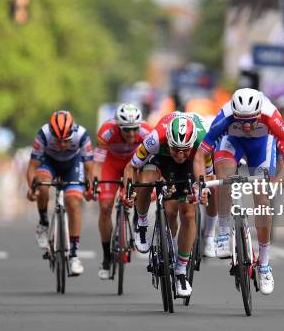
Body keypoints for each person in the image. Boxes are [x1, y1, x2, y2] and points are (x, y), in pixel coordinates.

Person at [193, 87, 284, 296]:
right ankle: (223, 231)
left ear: (260, 113)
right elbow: (199, 156)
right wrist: (201, 183)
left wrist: (276, 183)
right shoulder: (224, 117)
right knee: (224, 174)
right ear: (234, 114)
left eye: (252, 120)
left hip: (261, 147)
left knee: (262, 197)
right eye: (241, 120)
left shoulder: (272, 115)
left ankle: (265, 263)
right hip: (232, 143)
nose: (247, 125)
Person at [123, 112, 212, 298]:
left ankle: (180, 271)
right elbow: (131, 167)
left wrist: (203, 191)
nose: (180, 154)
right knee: (151, 187)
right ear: (168, 141)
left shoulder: (203, 141)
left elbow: (209, 175)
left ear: (193, 143)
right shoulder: (155, 138)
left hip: (191, 165)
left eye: (184, 149)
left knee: (188, 214)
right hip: (161, 160)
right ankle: (141, 223)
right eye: (176, 149)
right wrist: (128, 192)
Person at [26, 110, 94, 276]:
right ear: (52, 134)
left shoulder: (82, 135)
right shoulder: (43, 134)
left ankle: (74, 254)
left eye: (66, 140)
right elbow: (32, 167)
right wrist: (31, 188)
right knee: (42, 185)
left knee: (73, 202)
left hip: (73, 164)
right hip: (48, 163)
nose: (62, 145)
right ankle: (43, 222)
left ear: (72, 132)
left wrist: (90, 188)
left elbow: (89, 167)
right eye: (58, 140)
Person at [91, 103, 151, 279]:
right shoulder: (106, 132)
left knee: (143, 191)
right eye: (126, 130)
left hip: (134, 164)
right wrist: (94, 182)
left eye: (134, 129)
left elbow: (153, 163)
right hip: (111, 164)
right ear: (118, 126)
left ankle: (136, 219)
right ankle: (106, 257)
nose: (132, 134)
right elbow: (97, 163)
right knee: (105, 207)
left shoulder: (146, 132)